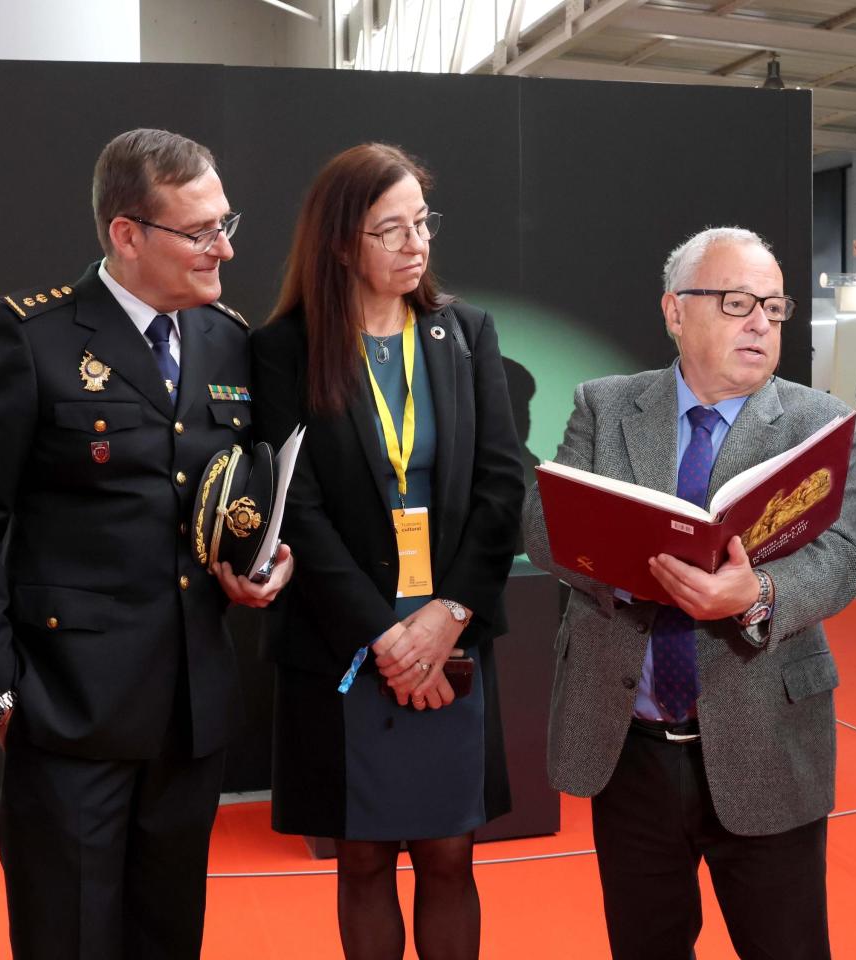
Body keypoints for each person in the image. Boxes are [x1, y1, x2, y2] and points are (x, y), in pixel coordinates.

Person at [0, 128, 293, 959]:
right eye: (199, 232)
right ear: (127, 234)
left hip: (190, 715)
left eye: (226, 222)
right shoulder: (29, 336)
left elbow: (245, 500)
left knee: (169, 939)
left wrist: (268, 559)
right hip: (66, 715)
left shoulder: (228, 338)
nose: (224, 247)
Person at [523, 226, 856, 960]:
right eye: (738, 302)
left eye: (774, 309)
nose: (760, 324)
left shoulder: (821, 424)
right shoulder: (606, 406)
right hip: (632, 746)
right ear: (675, 311)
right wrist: (634, 560)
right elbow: (545, 528)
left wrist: (757, 593)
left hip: (768, 739)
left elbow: (843, 558)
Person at [251, 143, 524, 960]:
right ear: (340, 244)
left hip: (450, 630)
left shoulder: (464, 332)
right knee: (361, 858)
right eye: (391, 229)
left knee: (450, 854)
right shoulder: (284, 349)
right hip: (348, 636)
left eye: (422, 224)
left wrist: (447, 618)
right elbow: (292, 508)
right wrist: (385, 636)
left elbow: (503, 486)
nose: (416, 245)